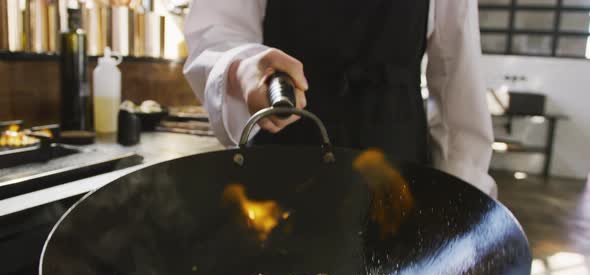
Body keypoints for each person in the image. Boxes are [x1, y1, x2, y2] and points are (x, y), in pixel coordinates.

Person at [182, 0, 497, 196]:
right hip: (284, 155)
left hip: (398, 166)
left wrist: (462, 202)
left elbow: (457, 73)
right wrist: (242, 68)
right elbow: (216, 34)